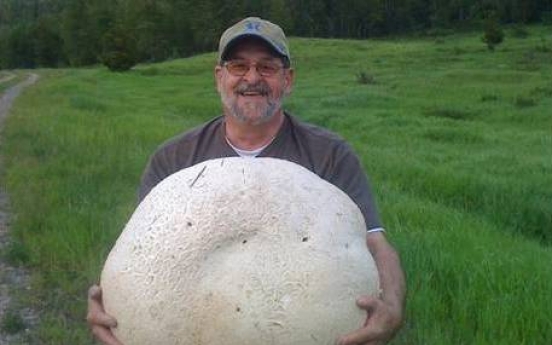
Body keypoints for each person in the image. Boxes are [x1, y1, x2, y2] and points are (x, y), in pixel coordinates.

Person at [87, 17, 406, 345]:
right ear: (219, 77)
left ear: (288, 79)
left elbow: (375, 242)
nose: (252, 78)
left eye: (267, 67)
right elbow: (139, 254)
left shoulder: (330, 155)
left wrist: (393, 308)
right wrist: (108, 301)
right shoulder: (173, 159)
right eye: (238, 66)